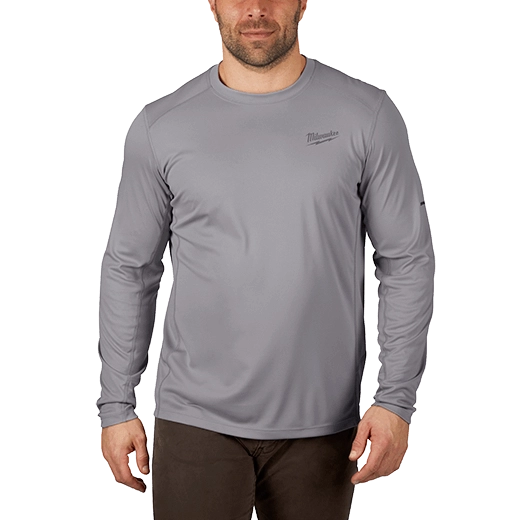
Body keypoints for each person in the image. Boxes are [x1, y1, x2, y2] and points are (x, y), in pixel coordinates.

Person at [97, 1, 435, 518]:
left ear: (303, 0)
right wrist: (116, 405)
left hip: (323, 425)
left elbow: (406, 260)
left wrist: (396, 400)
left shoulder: (366, 115)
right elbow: (130, 269)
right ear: (212, 2)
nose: (256, 9)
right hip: (194, 420)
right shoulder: (161, 125)